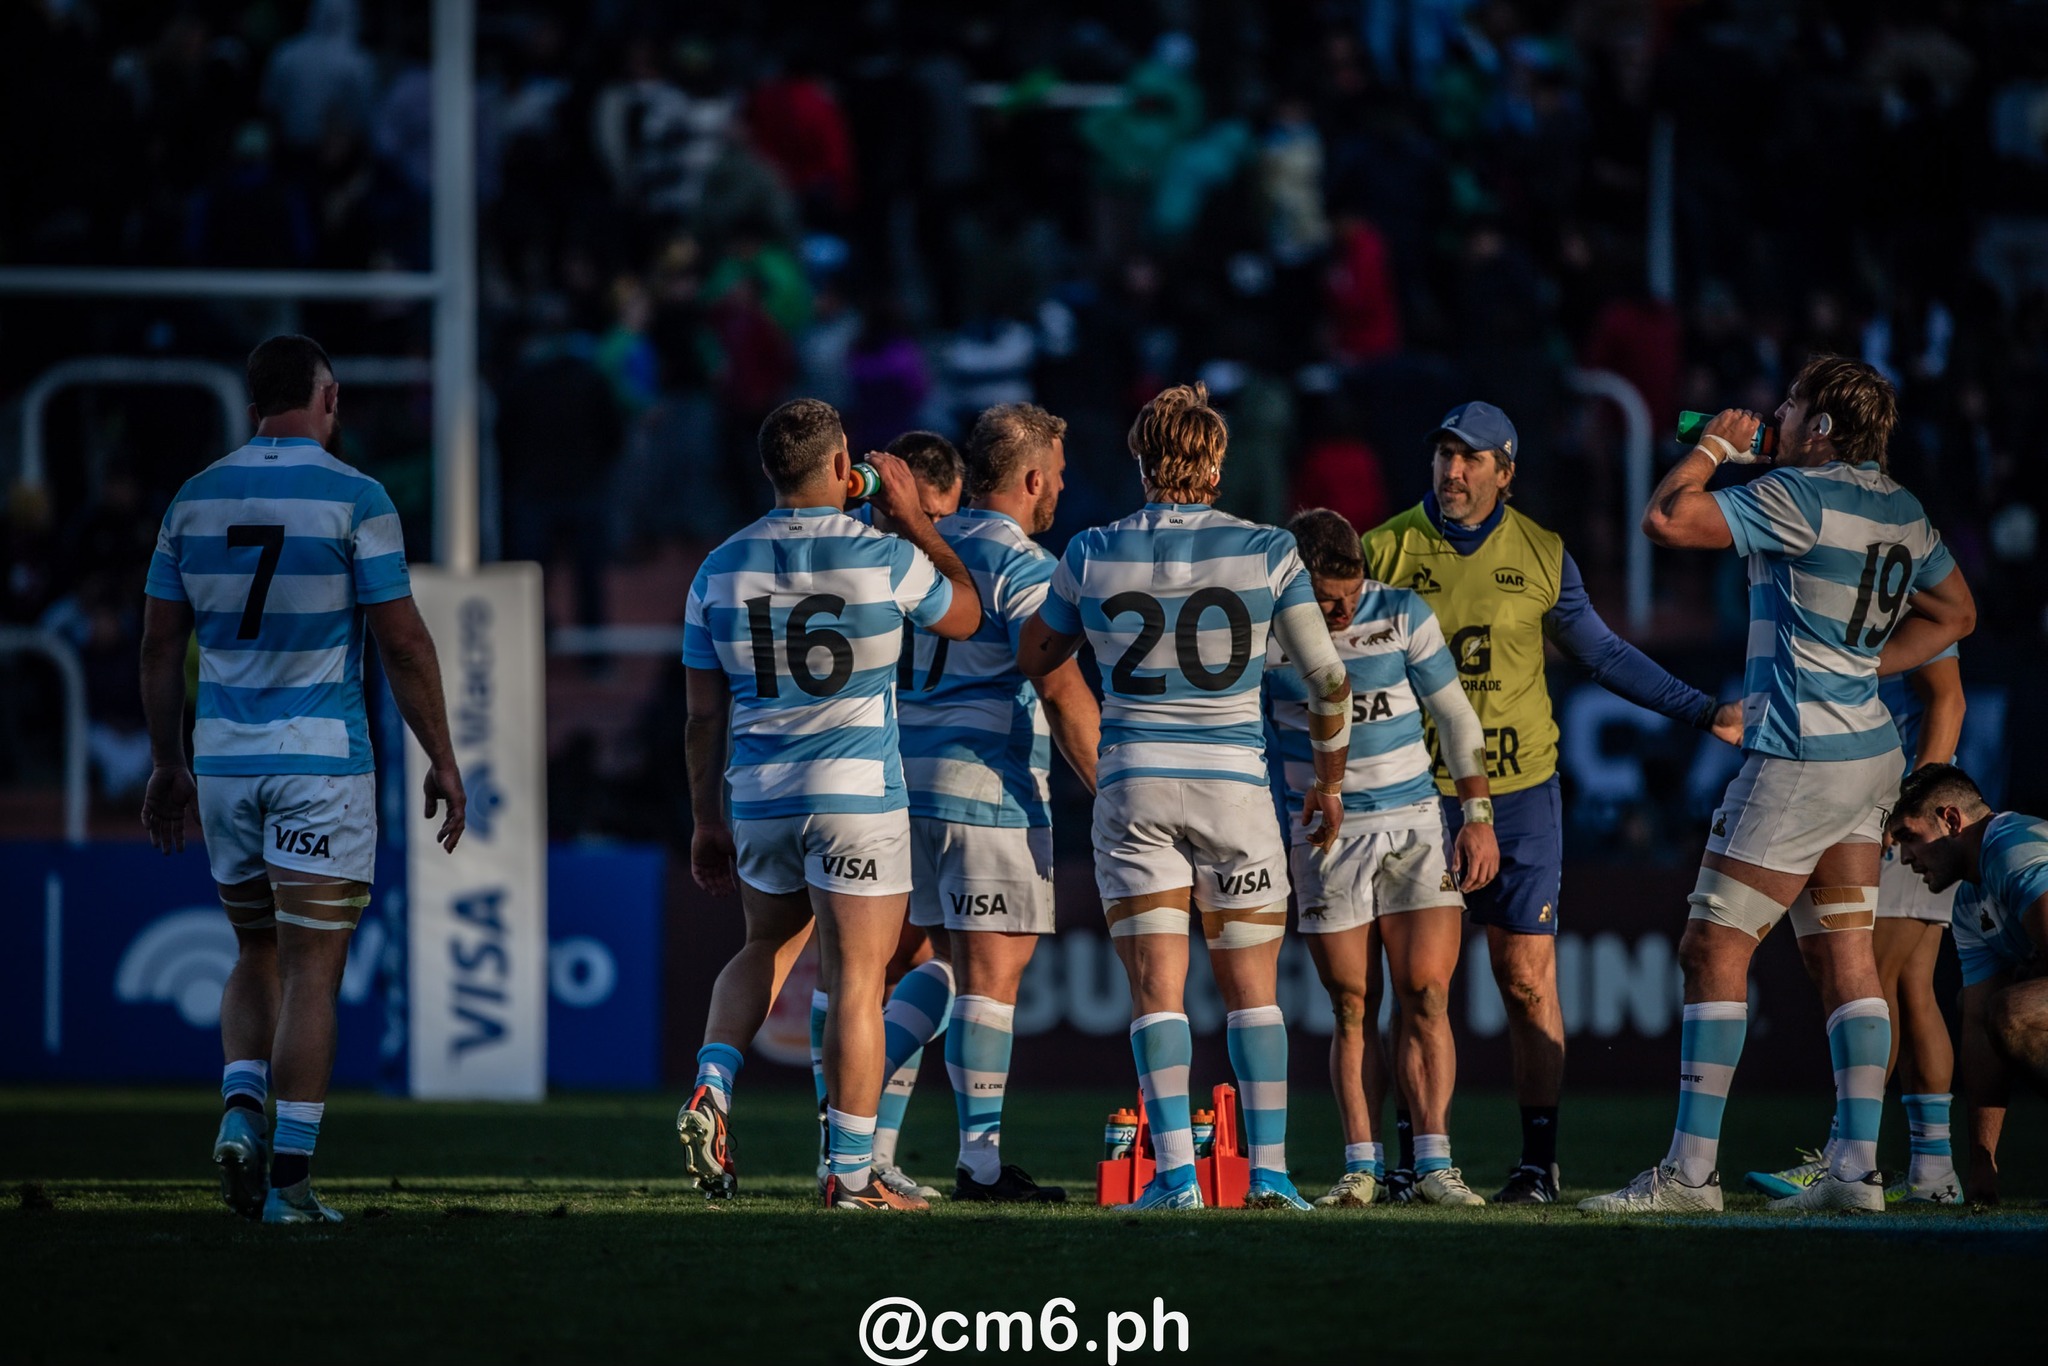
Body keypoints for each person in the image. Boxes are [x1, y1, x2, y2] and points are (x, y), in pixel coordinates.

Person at [1583, 354, 1976, 1215]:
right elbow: (1959, 614)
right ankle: (1855, 1171)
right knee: (1843, 956)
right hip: (1869, 756)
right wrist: (1864, 667)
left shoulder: (1800, 495)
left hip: (1800, 757)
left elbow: (1666, 519)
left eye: (1794, 405)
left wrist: (1715, 449)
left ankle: (1690, 1175)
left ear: (1822, 427)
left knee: (1711, 948)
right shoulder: (1903, 507)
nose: (1778, 415)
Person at [1362, 401, 1742, 1204]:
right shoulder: (1385, 549)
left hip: (1521, 793)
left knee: (1527, 980)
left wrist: (1703, 710)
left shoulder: (1541, 552)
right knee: (1419, 985)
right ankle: (1415, 1160)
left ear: (1506, 472)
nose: (1452, 471)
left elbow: (1602, 654)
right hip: (1417, 792)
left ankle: (1538, 1163)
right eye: (1444, 454)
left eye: (1470, 458)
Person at [139, 334, 466, 1225]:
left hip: (223, 762)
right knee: (313, 969)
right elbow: (403, 642)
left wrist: (168, 761)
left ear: (253, 406)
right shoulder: (357, 498)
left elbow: (161, 644)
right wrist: (441, 755)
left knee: (255, 951)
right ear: (327, 399)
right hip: (319, 763)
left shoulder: (192, 499)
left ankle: (240, 1110)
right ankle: (288, 1186)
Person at [1019, 382, 1353, 1212]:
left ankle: (1174, 1178)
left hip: (1133, 784)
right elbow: (1329, 680)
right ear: (1216, 464)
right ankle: (1268, 1175)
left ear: (1142, 460)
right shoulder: (1269, 550)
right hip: (1233, 786)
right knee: (1254, 993)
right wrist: (1329, 779)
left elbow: (1039, 654)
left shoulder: (1091, 551)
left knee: (1155, 990)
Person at [677, 398, 981, 1212]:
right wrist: (913, 519)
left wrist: (705, 820)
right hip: (855, 794)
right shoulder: (883, 555)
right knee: (855, 980)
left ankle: (713, 1080)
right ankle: (848, 1174)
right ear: (844, 462)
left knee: (763, 946)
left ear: (769, 470)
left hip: (759, 794)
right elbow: (965, 613)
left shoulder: (717, 567)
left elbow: (702, 717)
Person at [890, 405, 1102, 1203]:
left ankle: (860, 1143)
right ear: (1034, 479)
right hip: (986, 786)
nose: (1062, 490)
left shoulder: (913, 547)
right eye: (1059, 476)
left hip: (900, 783)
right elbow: (1060, 689)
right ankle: (975, 1166)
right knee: (991, 977)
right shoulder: (1025, 565)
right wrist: (1114, 796)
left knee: (938, 968)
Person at [1265, 509, 1499, 1209]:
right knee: (1351, 1004)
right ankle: (1361, 1168)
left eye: (1350, 596)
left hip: (1412, 824)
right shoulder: (1264, 633)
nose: (1341, 612)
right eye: (1326, 600)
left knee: (1426, 991)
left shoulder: (1400, 612)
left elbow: (1455, 716)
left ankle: (1434, 1165)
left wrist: (1477, 818)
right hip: (1323, 838)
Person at [1747, 647, 1967, 1204]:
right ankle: (1933, 1170)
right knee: (1911, 988)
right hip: (1901, 801)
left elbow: (1948, 698)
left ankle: (1844, 1157)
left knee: (1874, 981)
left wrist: (1911, 808)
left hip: (1897, 805)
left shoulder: (1911, 599)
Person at [1886, 764, 2048, 1206]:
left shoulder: (2011, 849)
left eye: (1909, 837)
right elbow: (1979, 1027)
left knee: (2015, 1009)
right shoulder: (1967, 904)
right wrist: (1981, 1166)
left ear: (1951, 820)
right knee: (1985, 1007)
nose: (1905, 858)